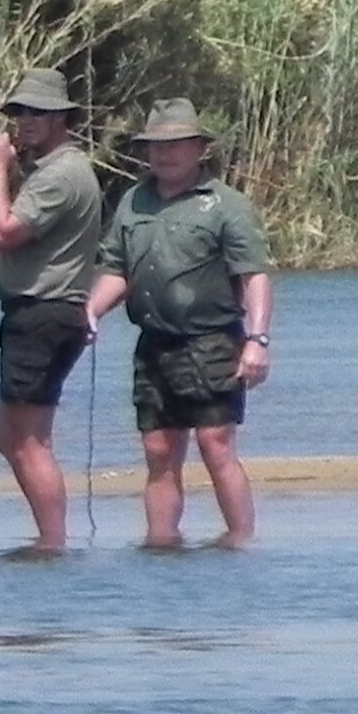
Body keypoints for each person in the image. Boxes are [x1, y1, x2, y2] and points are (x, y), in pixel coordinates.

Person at [80, 99, 274, 548]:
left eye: (176, 145)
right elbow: (116, 268)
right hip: (154, 344)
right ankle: (160, 543)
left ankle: (241, 541)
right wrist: (91, 311)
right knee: (158, 451)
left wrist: (258, 341)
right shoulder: (133, 201)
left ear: (199, 148)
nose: (164, 154)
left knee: (215, 443)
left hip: (211, 341)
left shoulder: (227, 205)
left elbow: (255, 274)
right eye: (156, 146)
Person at [0, 65, 103, 552]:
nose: (25, 121)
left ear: (61, 119)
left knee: (28, 441)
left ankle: (52, 544)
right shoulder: (50, 171)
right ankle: (50, 538)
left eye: (37, 113)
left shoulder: (63, 174)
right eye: (18, 112)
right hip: (38, 313)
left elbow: (2, 233)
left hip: (44, 312)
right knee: (8, 434)